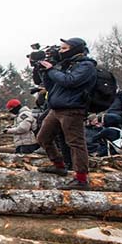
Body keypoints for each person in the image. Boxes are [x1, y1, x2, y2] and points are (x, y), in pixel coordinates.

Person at [34, 38, 98, 190]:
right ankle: (59, 165)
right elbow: (52, 86)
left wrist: (51, 69)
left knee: (75, 143)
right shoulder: (65, 65)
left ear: (76, 49)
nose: (61, 51)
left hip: (72, 109)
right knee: (43, 138)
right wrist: (44, 72)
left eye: (64, 48)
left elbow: (70, 81)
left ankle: (81, 179)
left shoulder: (86, 66)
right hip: (56, 109)